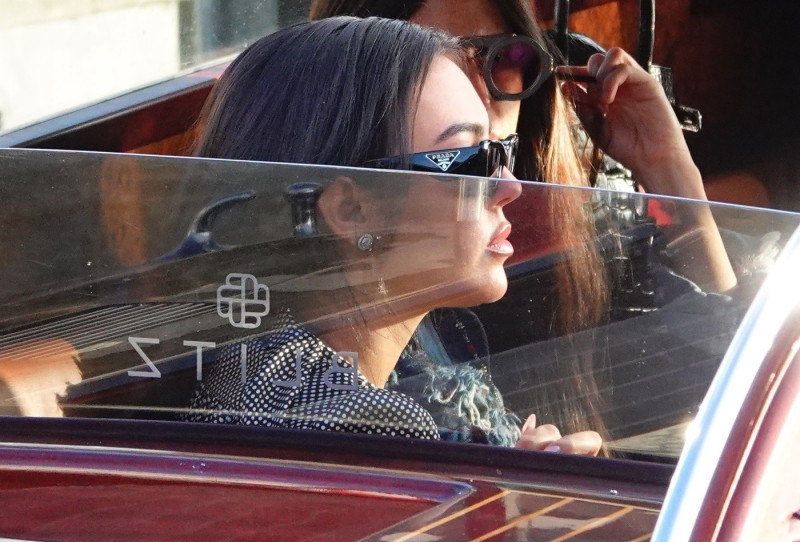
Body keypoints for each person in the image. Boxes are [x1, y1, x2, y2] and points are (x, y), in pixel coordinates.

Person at [310, 0, 738, 444]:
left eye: (505, 58)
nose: (475, 93)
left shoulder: (573, 237)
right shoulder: (313, 364)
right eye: (435, 62)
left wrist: (669, 169)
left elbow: (727, 378)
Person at [188, 16, 602, 454]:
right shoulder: (364, 427)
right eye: (468, 160)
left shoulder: (257, 363)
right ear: (352, 211)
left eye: (503, 151)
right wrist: (504, 506)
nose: (509, 186)